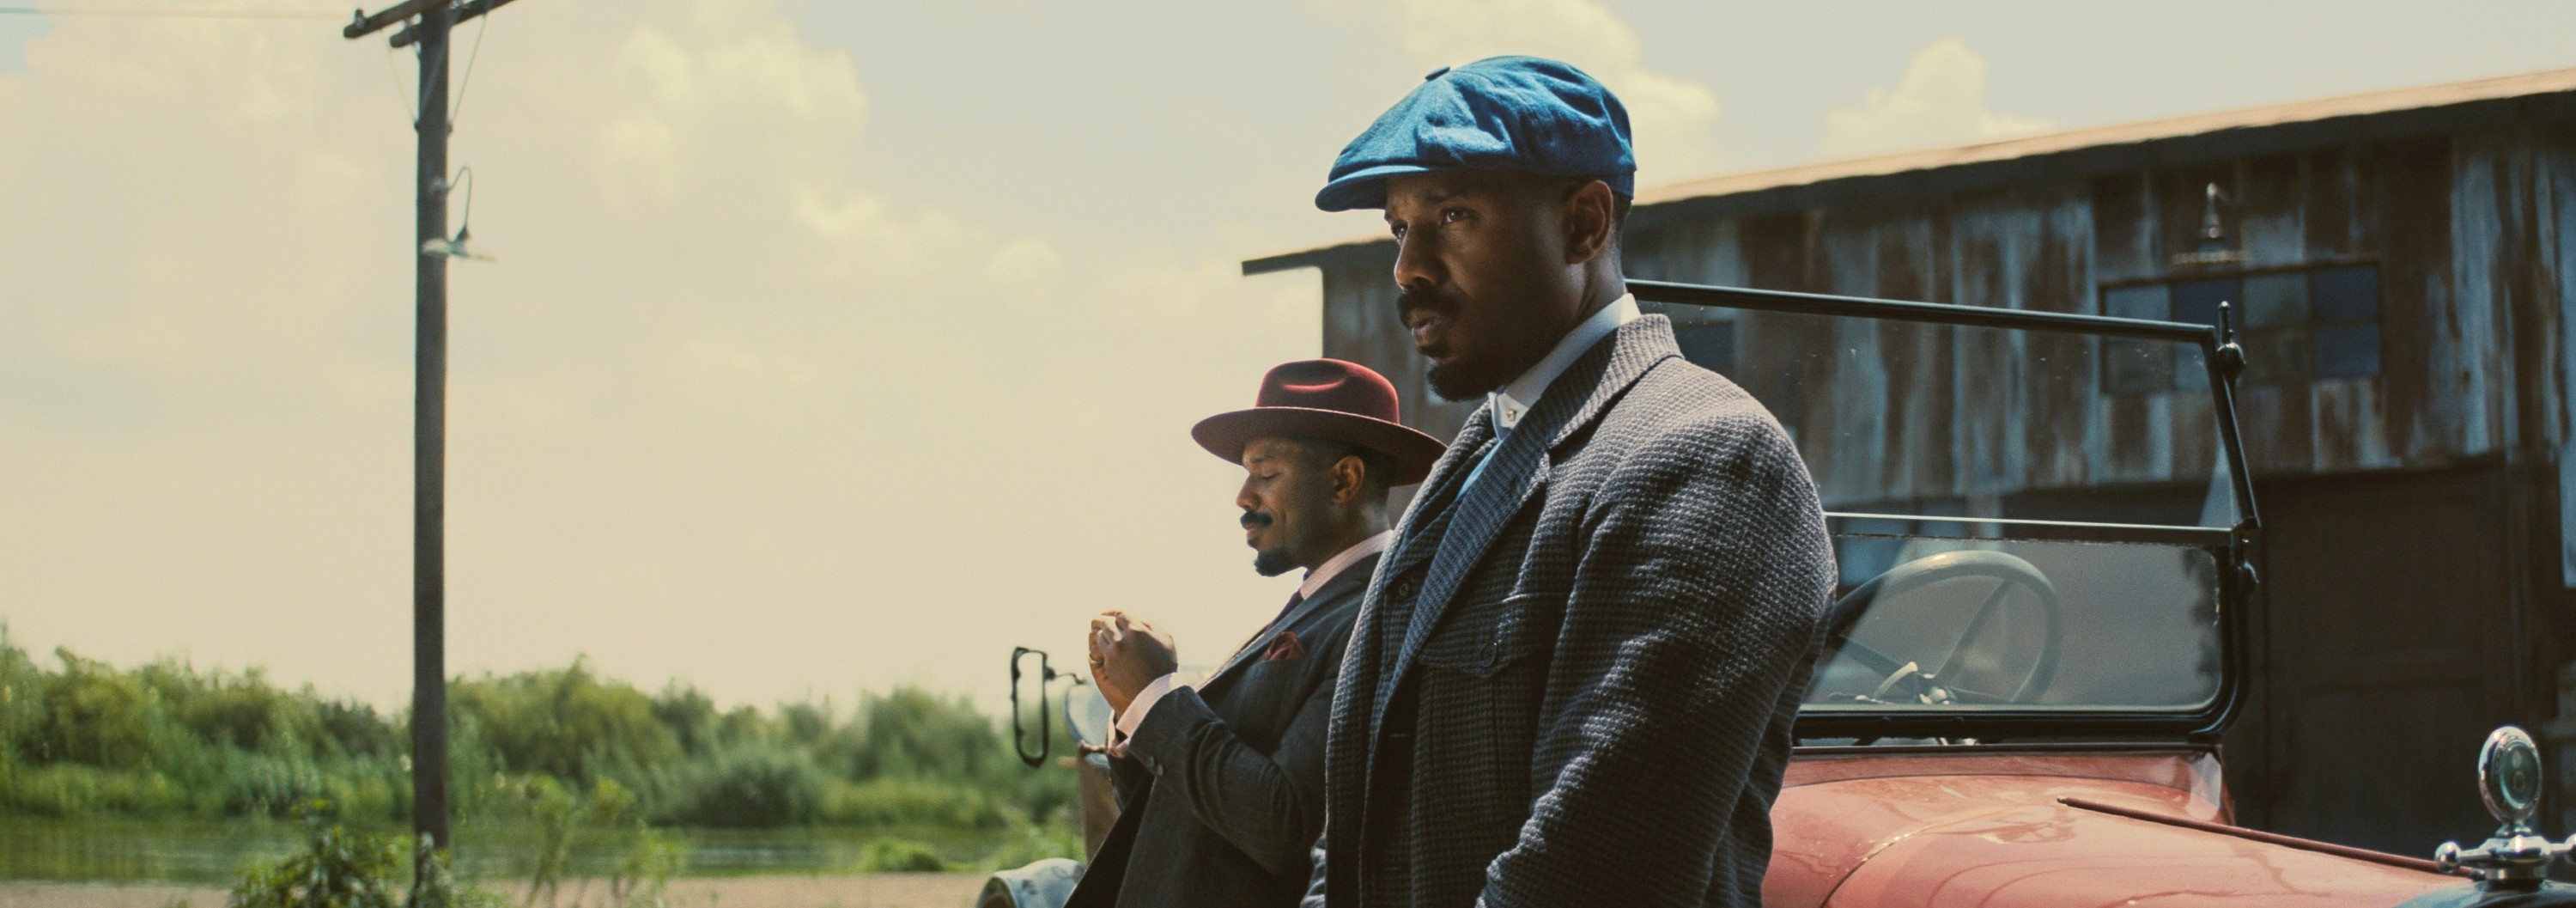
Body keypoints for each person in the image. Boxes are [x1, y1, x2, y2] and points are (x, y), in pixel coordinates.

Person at [1299, 57, 1835, 908]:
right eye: (1398, 228)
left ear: (1584, 224)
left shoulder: (1700, 454)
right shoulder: (1471, 463)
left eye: (1453, 215)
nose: (1409, 268)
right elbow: (1358, 826)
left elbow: (1588, 876)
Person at [1065, 359, 1445, 908]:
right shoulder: (1315, 610)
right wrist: (1135, 712)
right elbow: (1206, 812)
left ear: (1344, 480)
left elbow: (1286, 826)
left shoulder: (1378, 616)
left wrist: (1157, 700)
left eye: (1265, 474)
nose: (1244, 498)